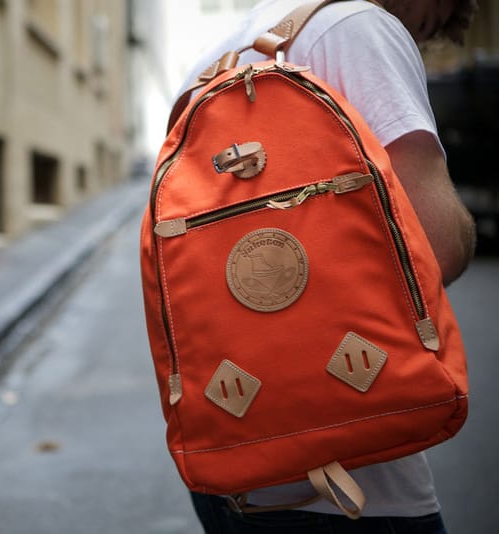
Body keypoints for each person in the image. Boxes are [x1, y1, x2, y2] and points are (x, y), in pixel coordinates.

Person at [177, 0, 478, 532]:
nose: (414, 41)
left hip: (229, 463)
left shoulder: (213, 59)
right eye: (423, 29)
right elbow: (438, 247)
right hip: (358, 480)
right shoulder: (358, 28)